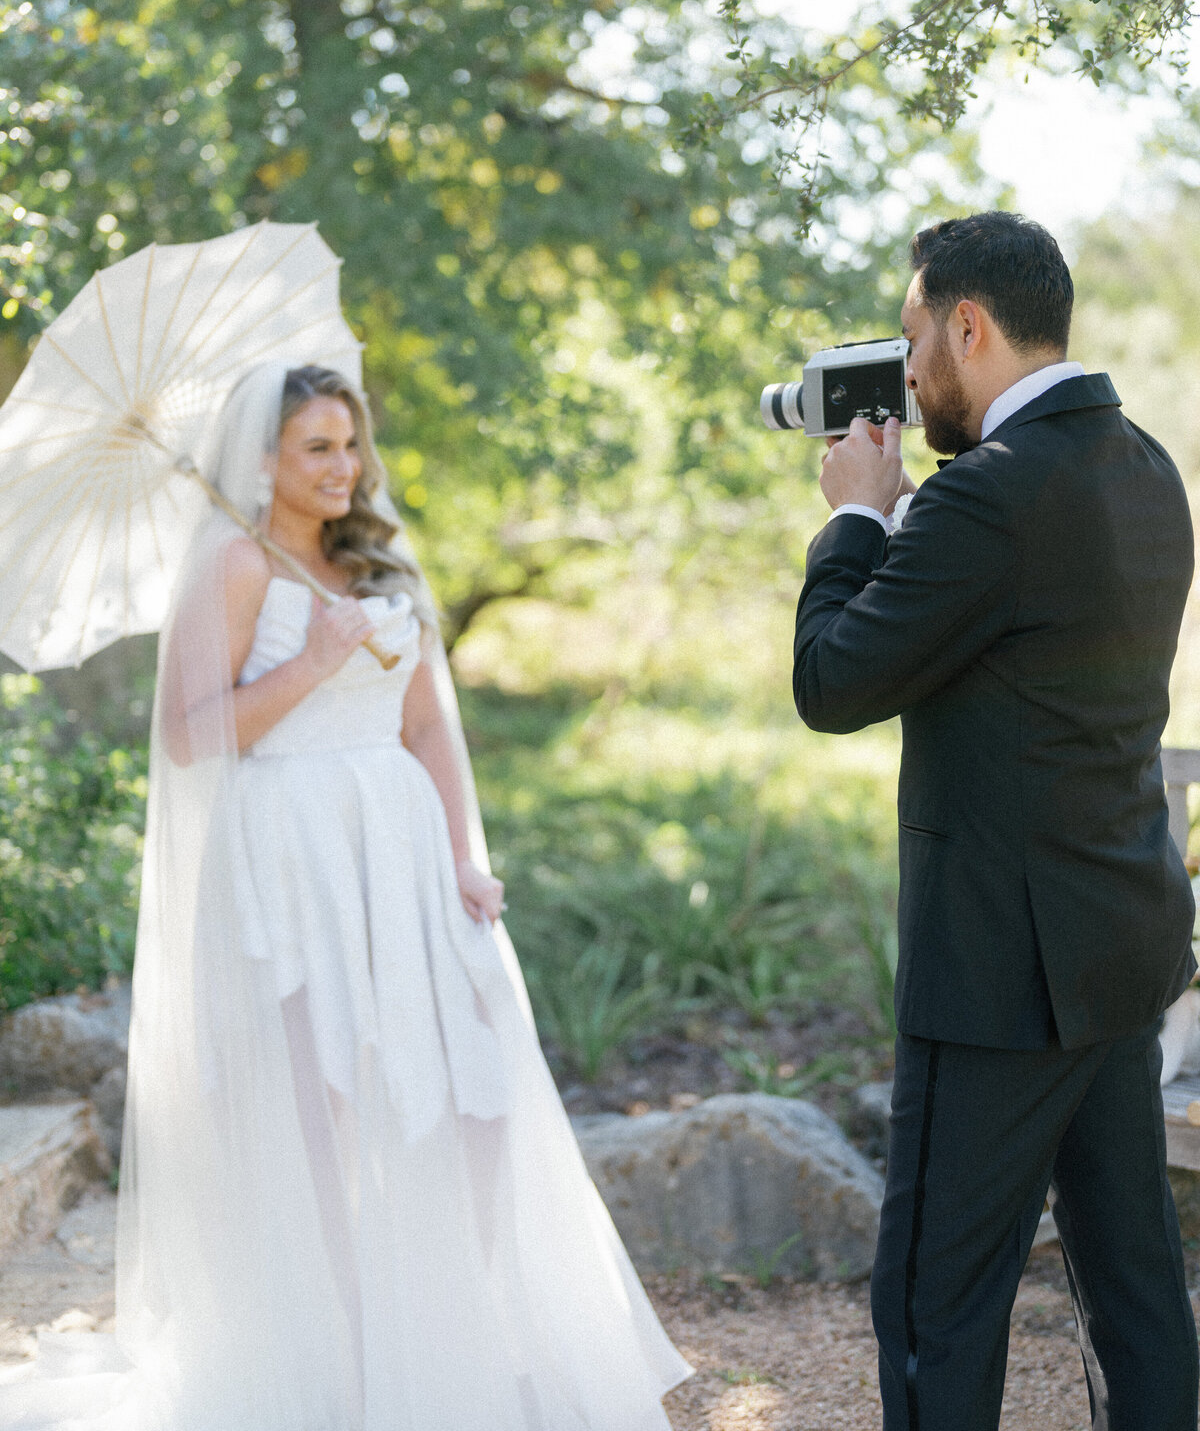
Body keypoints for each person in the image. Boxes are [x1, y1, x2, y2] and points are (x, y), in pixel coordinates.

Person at [0, 359, 691, 1430]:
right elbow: (190, 735)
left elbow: (427, 727)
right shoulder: (232, 566)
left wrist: (464, 852)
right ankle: (354, 1359)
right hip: (292, 866)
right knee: (319, 1111)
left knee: (473, 1086)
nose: (341, 464)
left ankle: (465, 1323)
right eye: (316, 446)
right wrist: (312, 662)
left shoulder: (378, 563)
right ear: (264, 458)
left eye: (349, 442)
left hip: (405, 854)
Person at [793, 212, 1199, 1430]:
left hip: (994, 979)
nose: (908, 378)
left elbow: (833, 682)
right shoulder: (1146, 464)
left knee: (937, 1305)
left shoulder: (985, 499)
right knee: (1136, 1291)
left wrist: (859, 517)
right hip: (1118, 949)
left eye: (915, 341)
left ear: (968, 326)